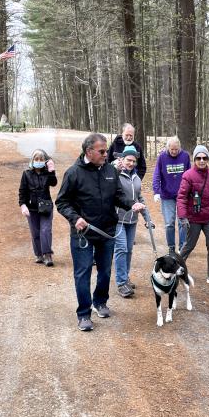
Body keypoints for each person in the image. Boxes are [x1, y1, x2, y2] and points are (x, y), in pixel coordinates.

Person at [56, 133, 144, 331]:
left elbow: (119, 196)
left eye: (106, 150)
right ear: (89, 151)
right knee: (83, 272)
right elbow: (62, 202)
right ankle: (84, 314)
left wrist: (132, 204)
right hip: (83, 234)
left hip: (107, 232)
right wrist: (75, 218)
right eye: (102, 151)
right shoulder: (73, 173)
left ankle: (100, 302)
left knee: (104, 272)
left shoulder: (110, 171)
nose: (107, 154)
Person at [177, 145, 209, 287]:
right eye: (198, 158)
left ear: (208, 159)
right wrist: (182, 217)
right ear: (194, 159)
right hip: (193, 218)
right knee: (189, 246)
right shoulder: (188, 175)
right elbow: (181, 197)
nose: (201, 160)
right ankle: (175, 268)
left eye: (204, 158)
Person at [112, 145, 147, 298]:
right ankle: (121, 283)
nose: (131, 163)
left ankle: (125, 277)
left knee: (129, 250)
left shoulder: (137, 177)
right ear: (122, 159)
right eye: (128, 160)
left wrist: (147, 218)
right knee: (121, 249)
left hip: (132, 220)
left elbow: (140, 198)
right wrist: (114, 168)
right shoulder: (116, 174)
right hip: (118, 218)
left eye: (133, 161)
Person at [152, 136, 191, 254]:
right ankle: (171, 247)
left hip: (182, 194)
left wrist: (191, 190)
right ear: (168, 147)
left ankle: (182, 247)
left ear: (179, 147)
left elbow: (190, 173)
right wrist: (156, 191)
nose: (174, 152)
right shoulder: (162, 157)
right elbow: (157, 174)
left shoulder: (185, 156)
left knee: (182, 222)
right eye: (172, 149)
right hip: (167, 194)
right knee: (169, 223)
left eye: (176, 149)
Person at [18, 149, 57, 266]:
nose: (38, 161)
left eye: (41, 159)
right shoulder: (26, 174)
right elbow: (22, 191)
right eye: (36, 159)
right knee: (35, 232)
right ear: (32, 160)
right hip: (32, 207)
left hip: (45, 206)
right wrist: (23, 205)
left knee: (45, 230)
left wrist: (52, 171)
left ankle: (47, 255)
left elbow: (53, 183)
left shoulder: (47, 172)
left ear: (45, 161)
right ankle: (39, 254)